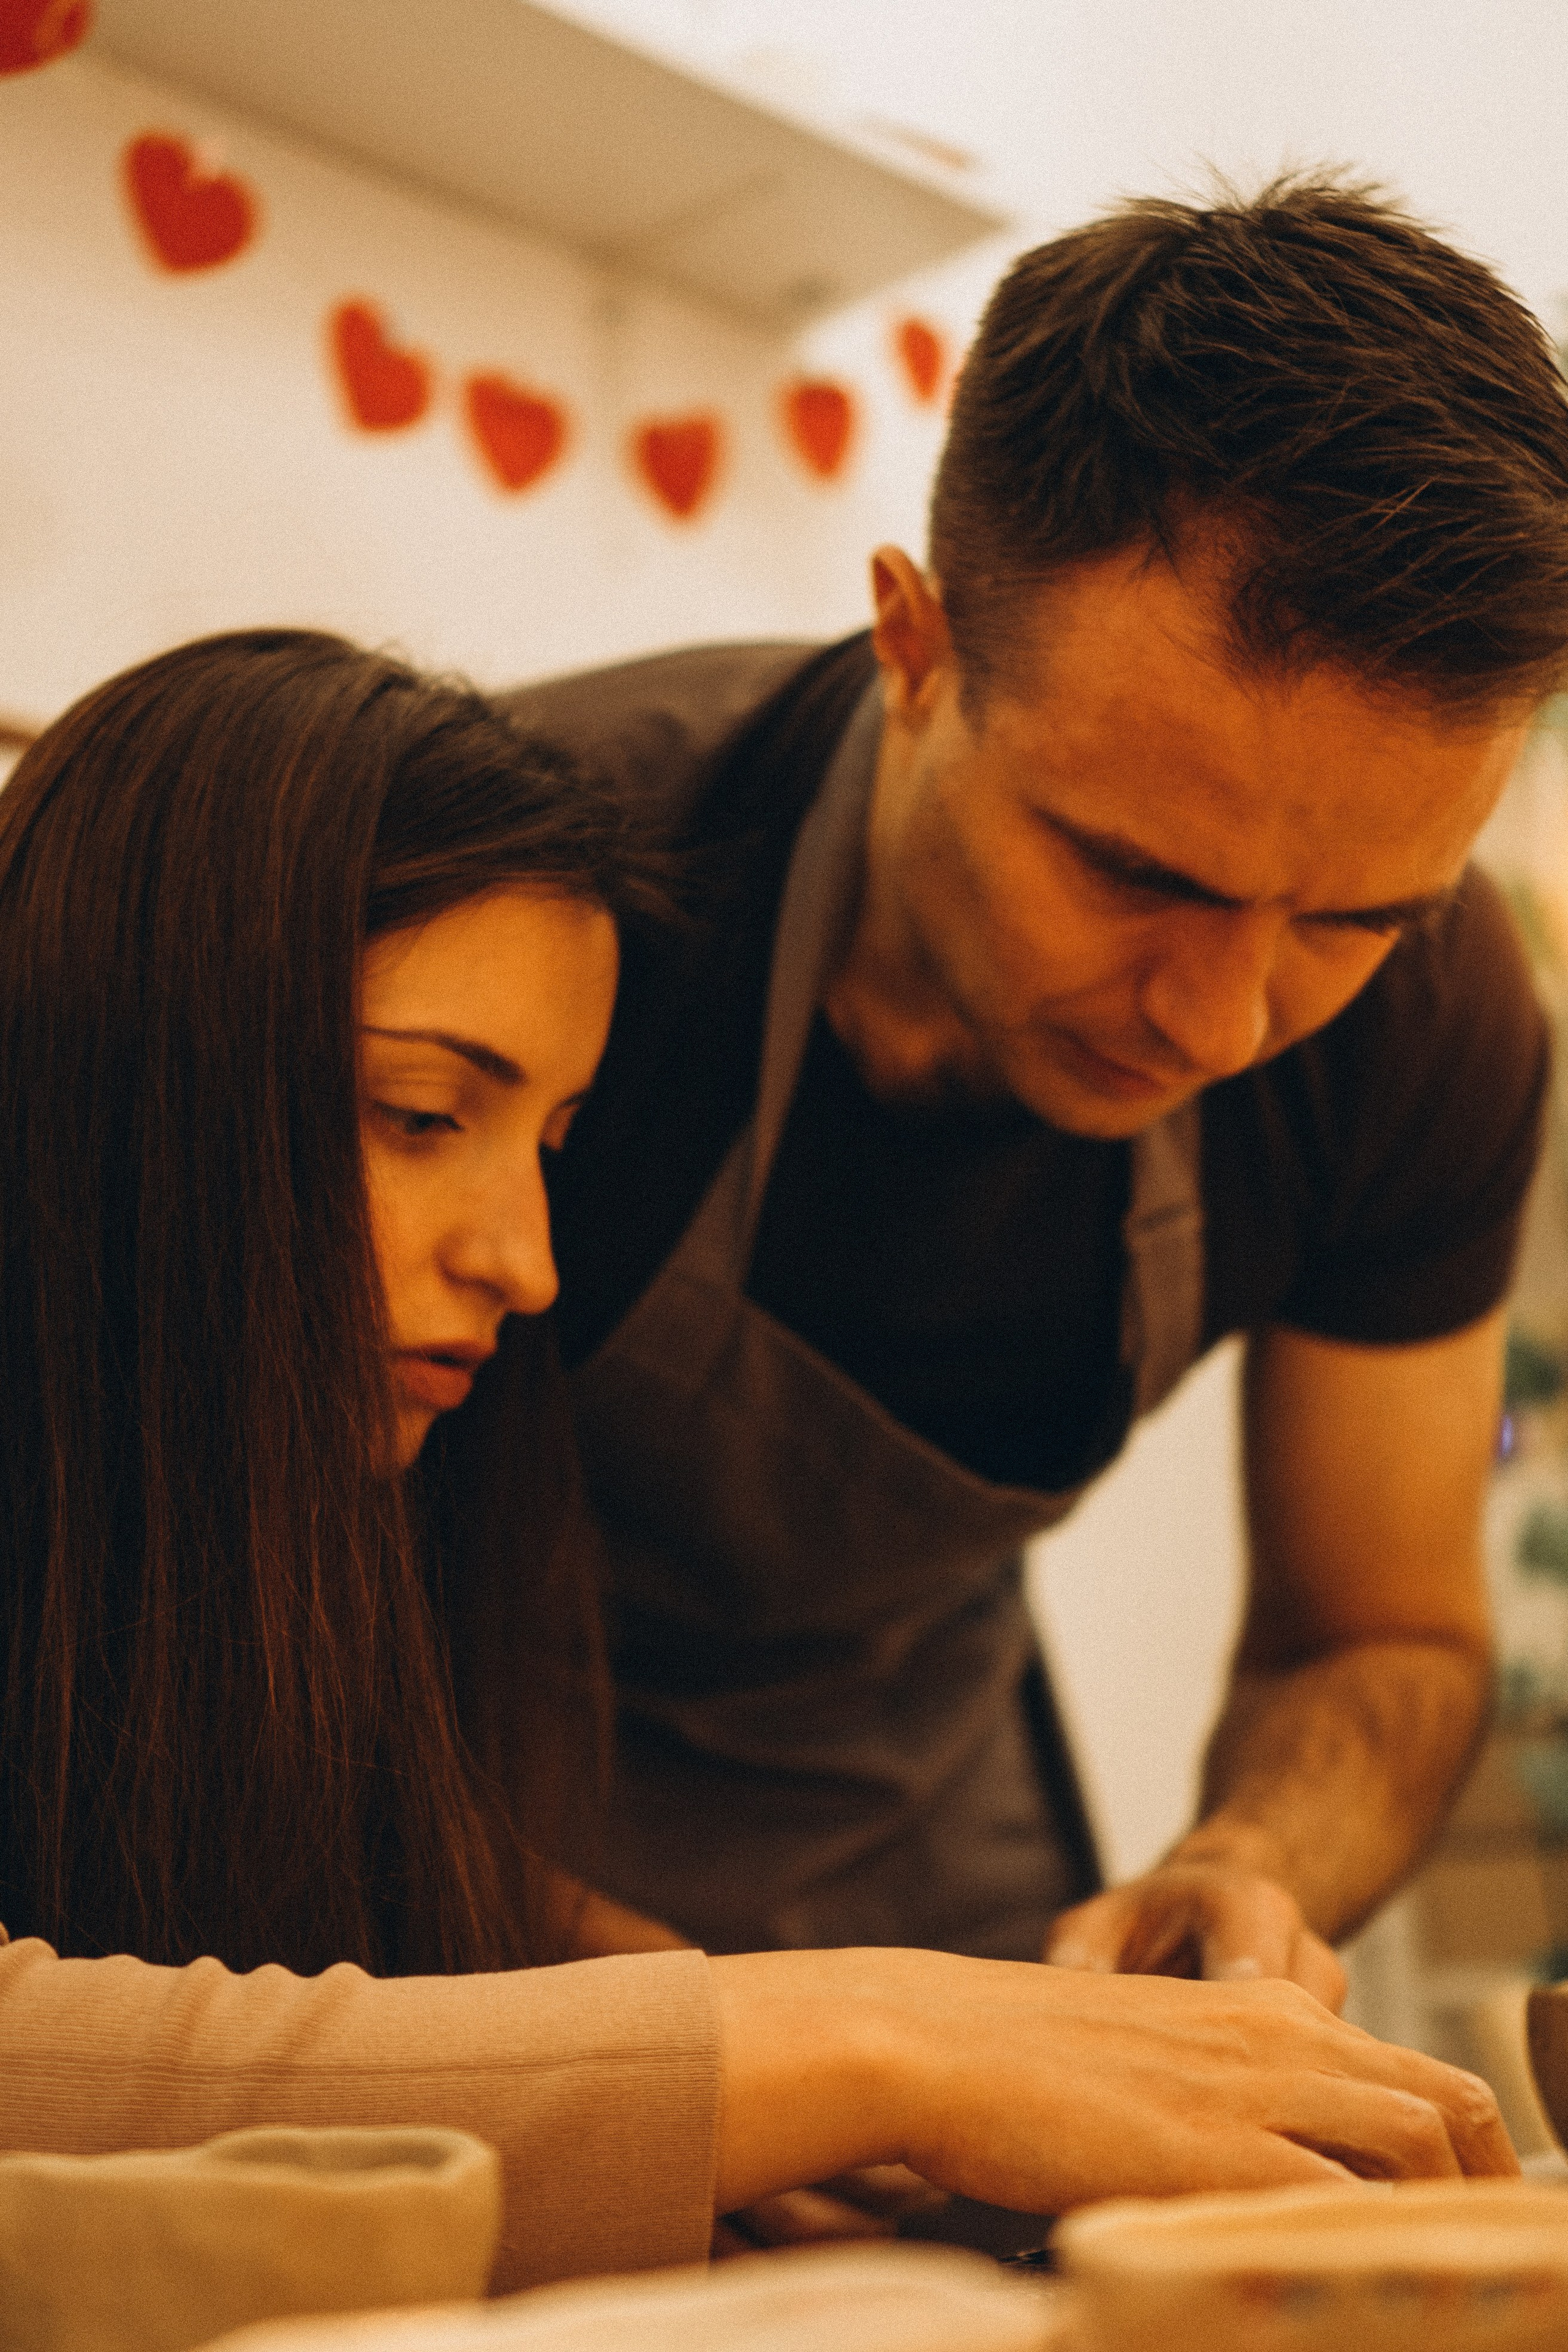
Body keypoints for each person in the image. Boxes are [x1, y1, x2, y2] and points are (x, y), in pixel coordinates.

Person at [0, 630, 1517, 2294]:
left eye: (560, 1144)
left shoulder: (253, 1632)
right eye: (425, 1113)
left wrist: (643, 1997)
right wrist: (853, 2039)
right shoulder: (635, 814)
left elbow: (284, 1897)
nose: (532, 1266)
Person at [511, 173, 1564, 2000]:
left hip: (927, 1863)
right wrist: (697, 2060)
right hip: (419, 1862)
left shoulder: (1434, 1022)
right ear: (914, 647)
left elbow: (1380, 1630)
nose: (1227, 1020)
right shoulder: (532, 886)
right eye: (1138, 872)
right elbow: (169, 1615)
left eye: (1356, 916)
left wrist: (1258, 1863)